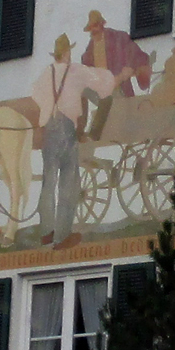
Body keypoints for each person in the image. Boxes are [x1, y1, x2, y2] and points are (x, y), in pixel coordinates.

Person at [31, 33, 117, 249]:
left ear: (55, 54)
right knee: (69, 182)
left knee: (49, 181)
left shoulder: (46, 73)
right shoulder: (76, 70)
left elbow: (36, 94)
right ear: (67, 52)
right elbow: (104, 84)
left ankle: (46, 233)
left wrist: (49, 107)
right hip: (66, 127)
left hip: (49, 128)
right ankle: (62, 237)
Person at [81, 10, 151, 97]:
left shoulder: (119, 38)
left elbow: (139, 56)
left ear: (102, 24)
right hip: (103, 95)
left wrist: (133, 69)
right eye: (90, 28)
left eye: (95, 25)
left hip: (121, 90)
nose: (93, 30)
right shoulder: (88, 54)